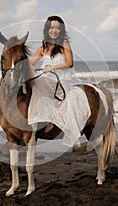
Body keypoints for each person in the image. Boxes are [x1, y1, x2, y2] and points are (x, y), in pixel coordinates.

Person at [28, 15, 90, 147]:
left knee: (43, 86)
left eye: (57, 28)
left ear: (61, 30)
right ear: (47, 29)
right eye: (51, 28)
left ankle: (52, 119)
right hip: (47, 78)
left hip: (61, 80)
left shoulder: (64, 44)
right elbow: (31, 63)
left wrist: (51, 67)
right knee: (31, 86)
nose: (54, 30)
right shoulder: (43, 48)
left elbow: (69, 63)